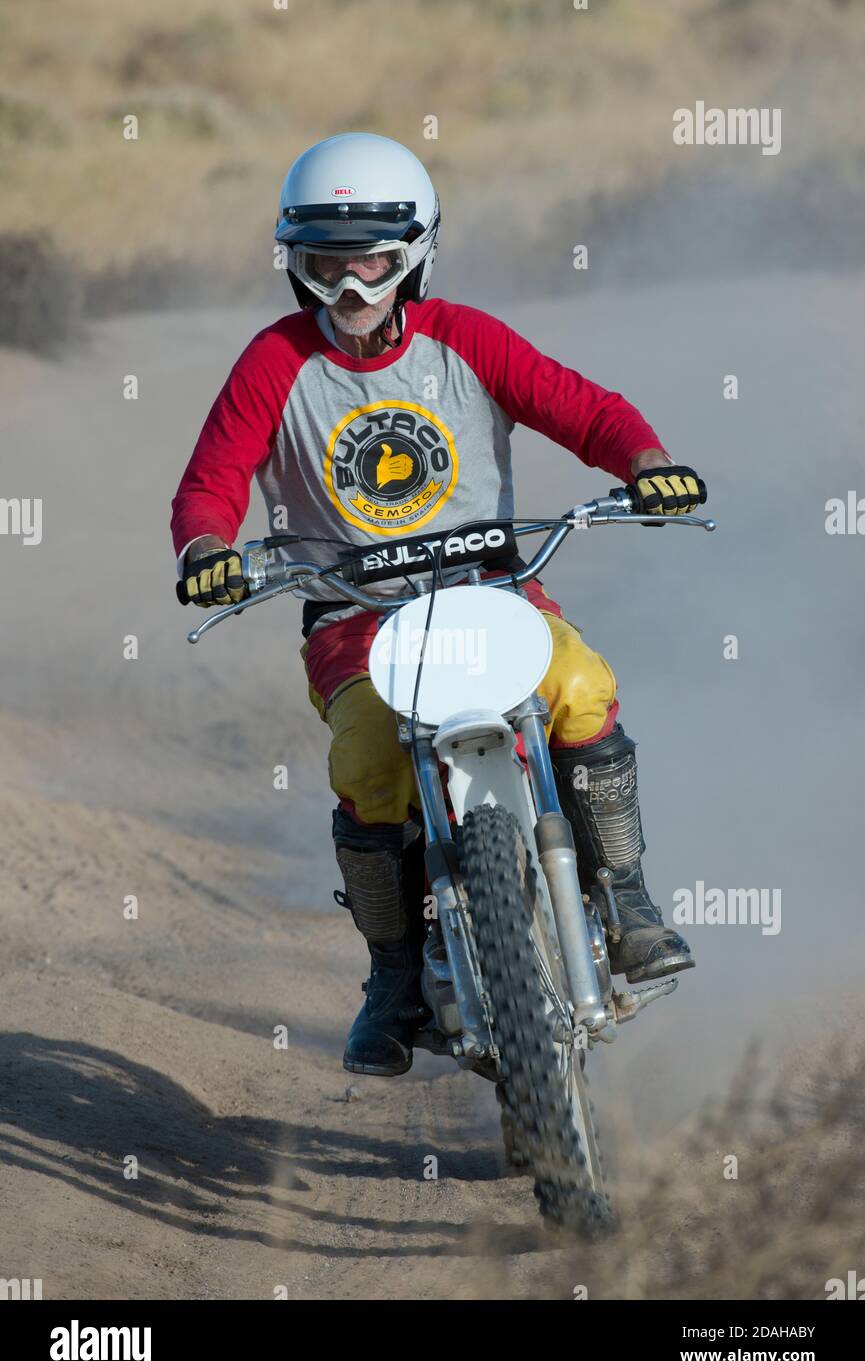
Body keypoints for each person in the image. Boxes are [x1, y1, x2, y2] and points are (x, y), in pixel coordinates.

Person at [172, 132, 706, 1078]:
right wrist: (208, 549)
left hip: (492, 593)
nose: (347, 287)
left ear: (414, 252)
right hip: (352, 617)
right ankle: (391, 978)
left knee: (579, 684)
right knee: (370, 757)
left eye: (369, 260)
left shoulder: (467, 338)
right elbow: (209, 483)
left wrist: (647, 464)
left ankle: (624, 897)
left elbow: (583, 409)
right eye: (323, 263)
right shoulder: (273, 363)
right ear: (292, 263)